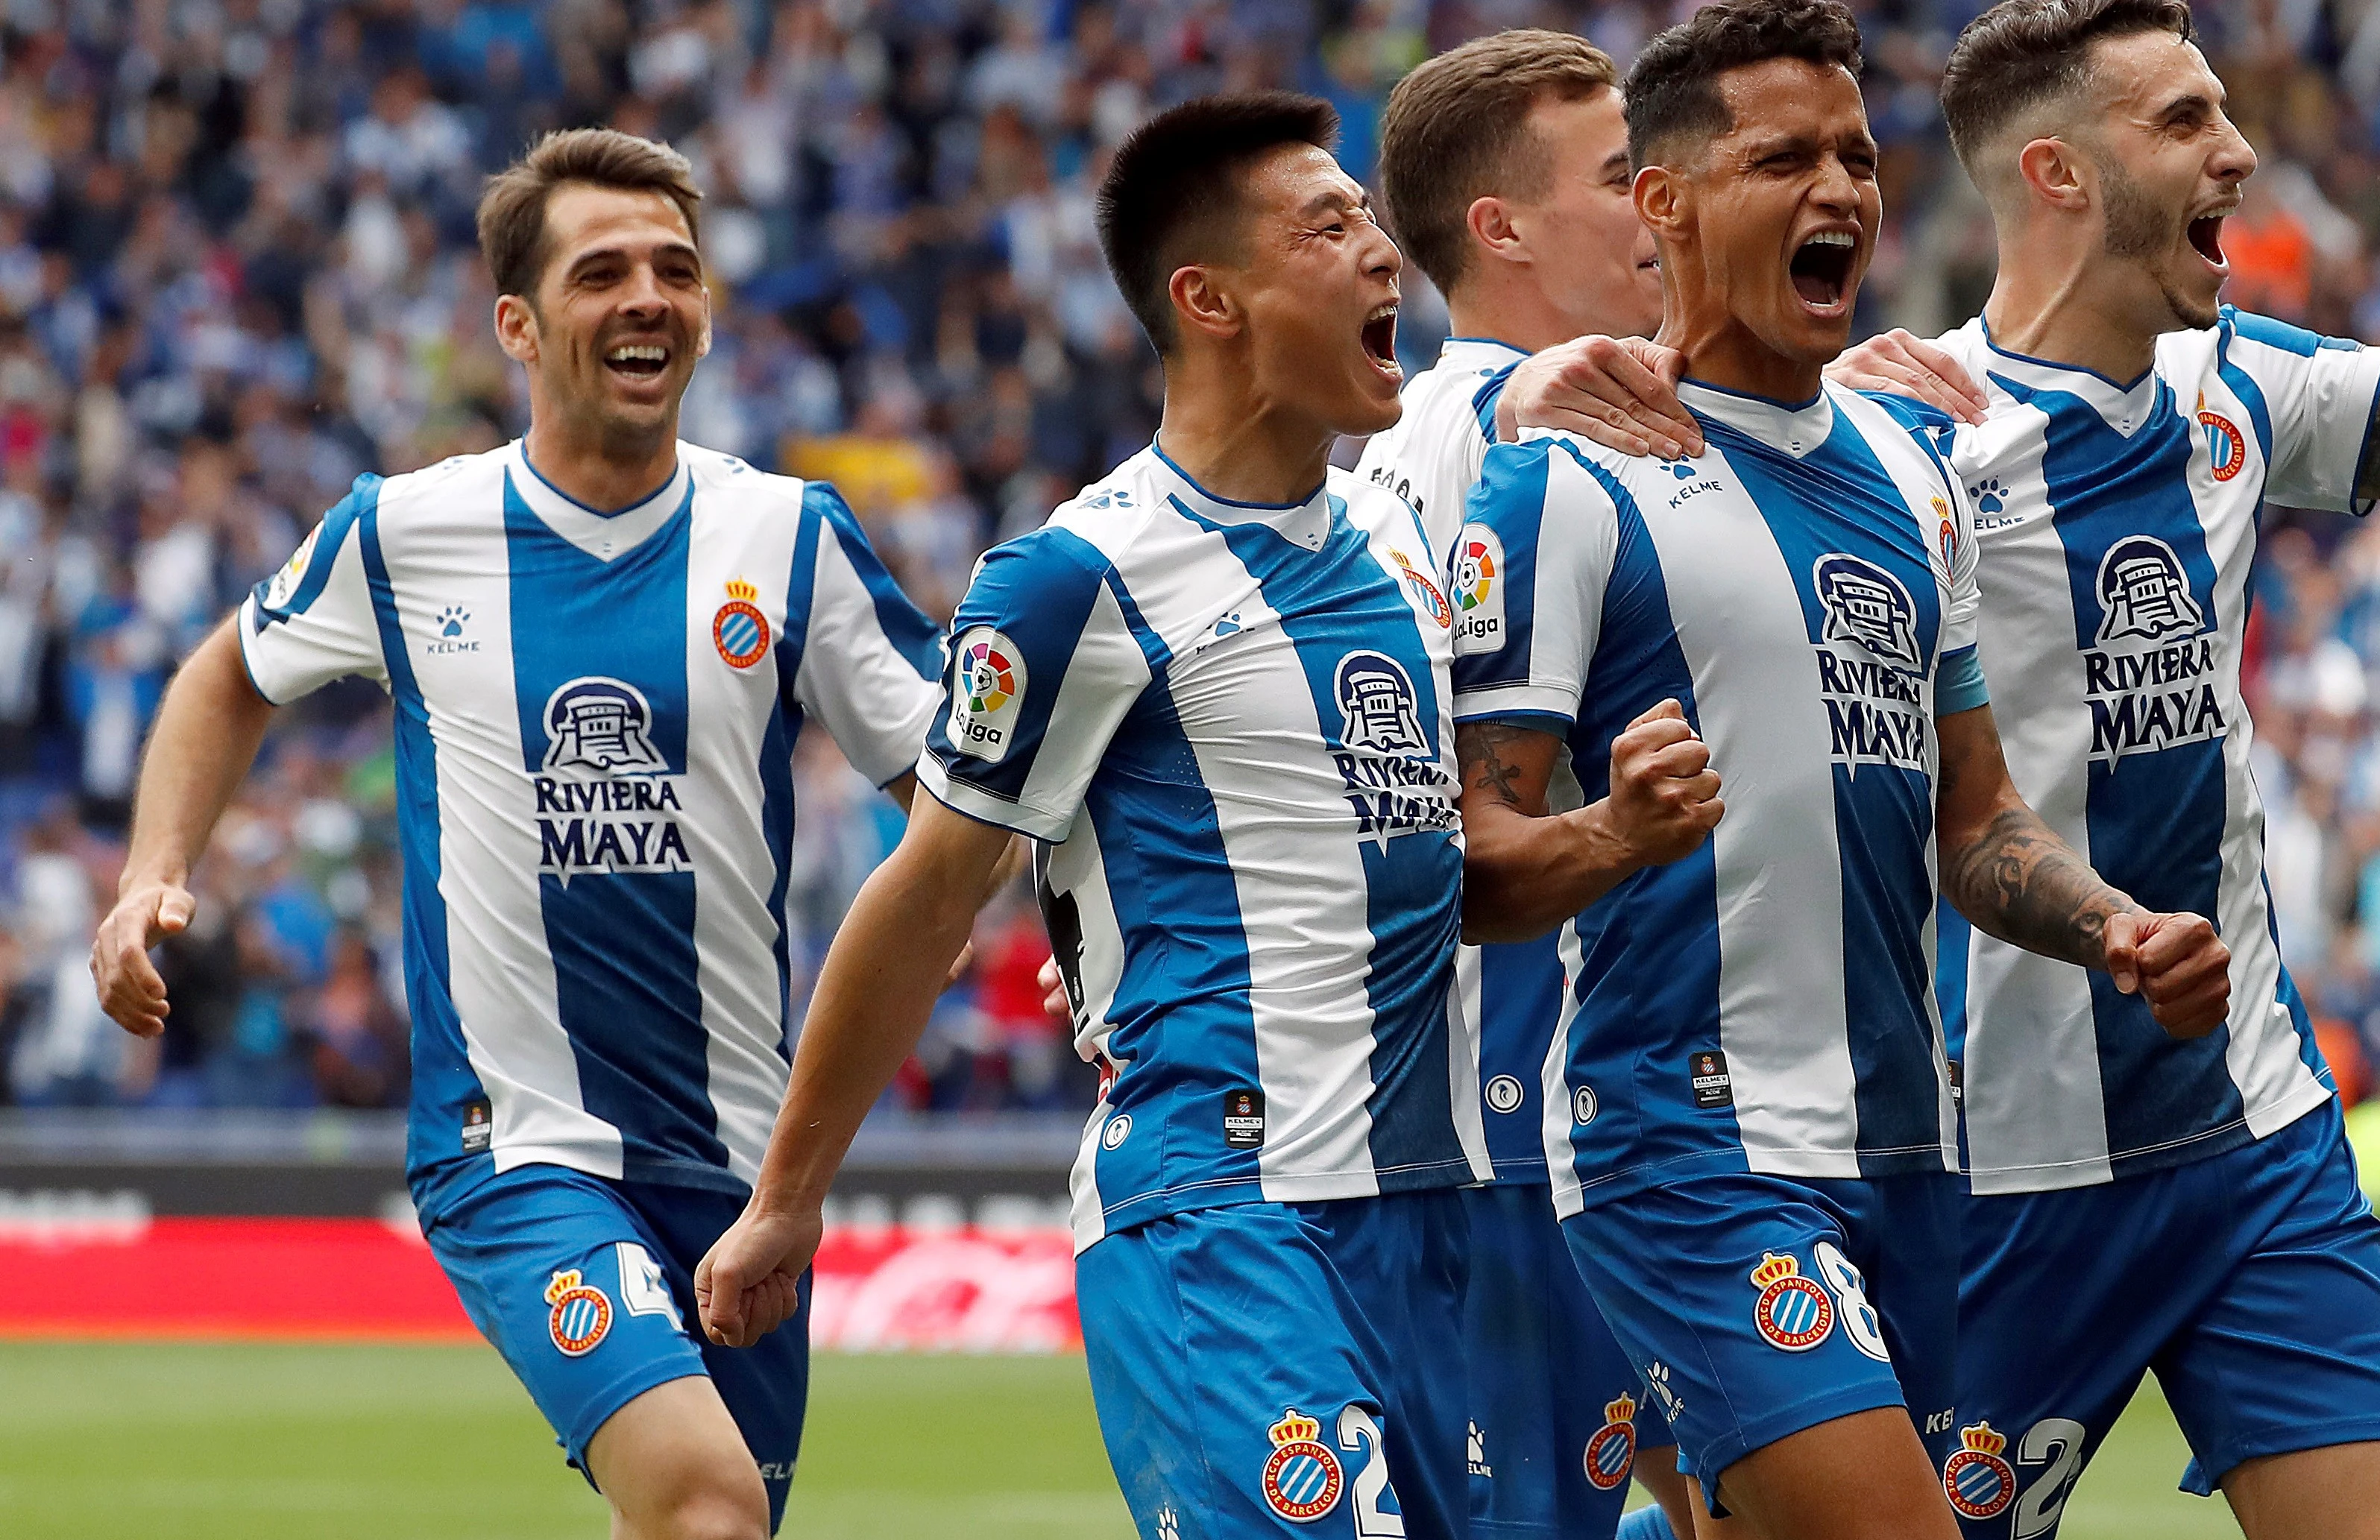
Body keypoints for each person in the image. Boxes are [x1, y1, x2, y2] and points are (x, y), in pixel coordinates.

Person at [1818, 1, 2380, 1536]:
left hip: (2252, 1124)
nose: (2241, 155)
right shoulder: (1896, 447)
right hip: (2005, 1162)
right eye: (2185, 123)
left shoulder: (2240, 387)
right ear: (2056, 172)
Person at [89, 128, 950, 1539]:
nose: (647, 297)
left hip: (743, 1159)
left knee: (689, 1520)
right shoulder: (409, 532)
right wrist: (150, 874)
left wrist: (1065, 928)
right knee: (708, 1507)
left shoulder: (789, 537)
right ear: (520, 324)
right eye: (601, 270)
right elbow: (224, 673)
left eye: (677, 269)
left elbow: (955, 797)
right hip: (517, 1146)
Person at [1450, 4, 2232, 1537]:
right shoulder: (1563, 479)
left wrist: (2110, 926)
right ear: (1661, 202)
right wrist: (1615, 833)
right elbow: (1464, 866)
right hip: (1683, 1142)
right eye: (1783, 157)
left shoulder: (1915, 478)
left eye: (1859, 157)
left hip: (1905, 1152)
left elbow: (1979, 819)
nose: (1844, 191)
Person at [693, 93, 1492, 1540]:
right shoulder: (1077, 580)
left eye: (1373, 218)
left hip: (1445, 1211)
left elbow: (1429, 854)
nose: (1384, 254)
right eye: (1330, 226)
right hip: (1222, 1204)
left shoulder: (1407, 540)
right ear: (1209, 299)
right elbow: (931, 892)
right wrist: (791, 1195)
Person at [1355, 30, 1693, 1540]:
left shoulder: (1420, 439)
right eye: (1625, 178)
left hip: (1590, 1092)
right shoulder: (1495, 428)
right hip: (1517, 1099)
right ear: (1498, 230)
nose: (1660, 207)